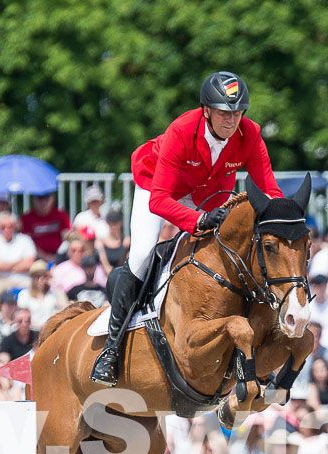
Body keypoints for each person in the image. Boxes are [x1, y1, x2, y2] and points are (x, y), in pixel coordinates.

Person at [91, 71, 282, 386]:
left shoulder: (250, 133)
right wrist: (196, 221)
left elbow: (270, 189)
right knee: (141, 254)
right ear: (206, 110)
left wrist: (284, 217)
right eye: (223, 112)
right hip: (157, 185)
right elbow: (160, 200)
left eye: (237, 113)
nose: (231, 120)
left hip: (206, 193)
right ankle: (112, 349)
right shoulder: (182, 130)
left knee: (233, 253)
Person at [0, 212, 37, 301]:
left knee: (34, 288)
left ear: (15, 226)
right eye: (3, 227)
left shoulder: (25, 240)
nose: (7, 229)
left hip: (23, 278)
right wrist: (19, 262)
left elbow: (29, 263)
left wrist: (5, 266)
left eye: (10, 226)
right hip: (0, 279)